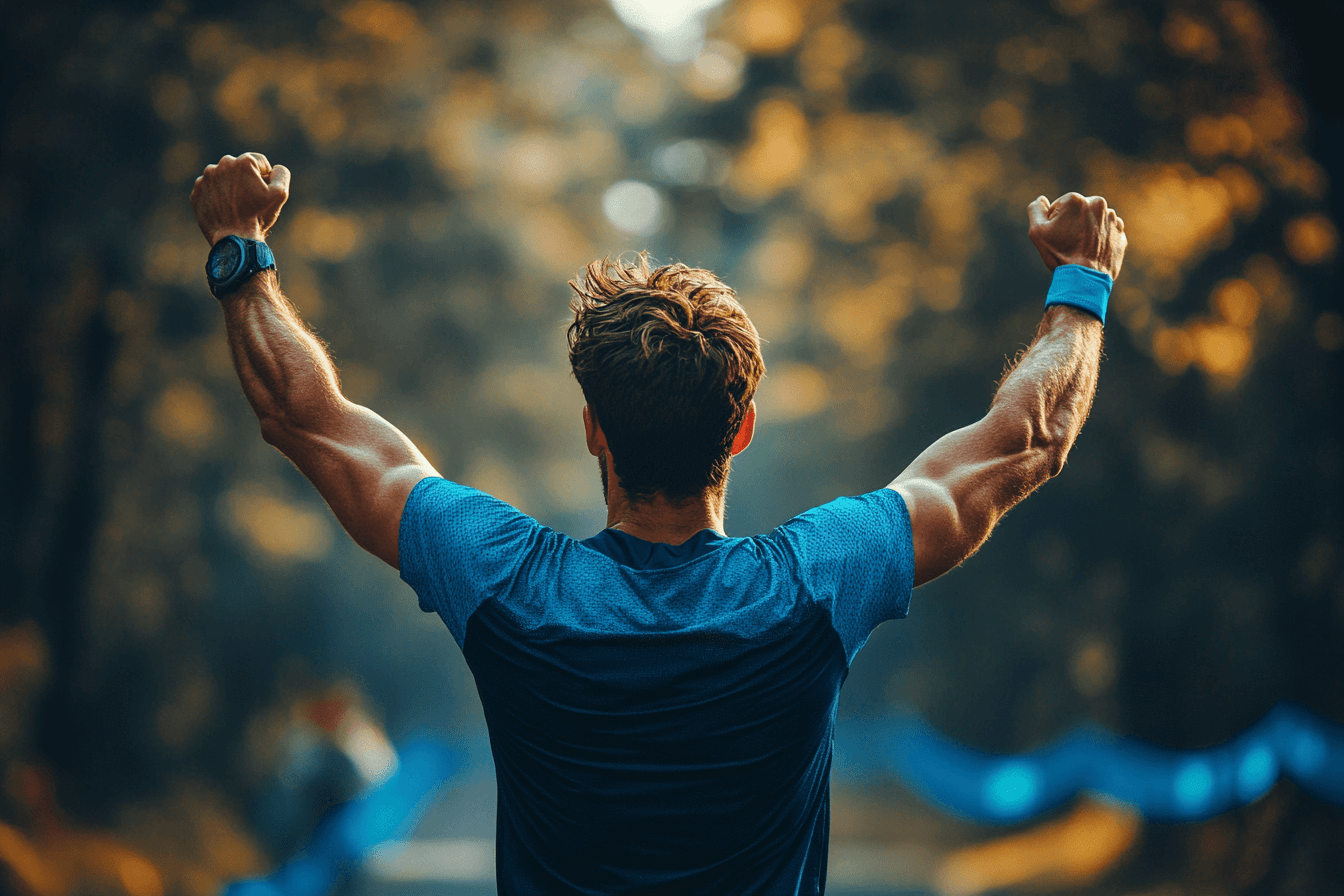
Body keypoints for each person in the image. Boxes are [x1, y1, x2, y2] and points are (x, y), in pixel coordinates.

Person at [191, 151, 1126, 895]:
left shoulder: (505, 582)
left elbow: (305, 419)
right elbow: (1026, 441)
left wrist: (241, 250)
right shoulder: (815, 582)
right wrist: (1081, 281)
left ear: (592, 428)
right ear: (744, 427)